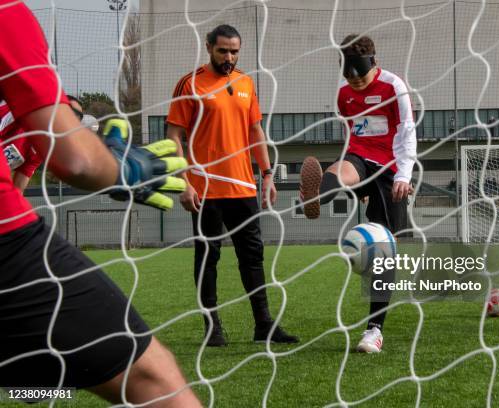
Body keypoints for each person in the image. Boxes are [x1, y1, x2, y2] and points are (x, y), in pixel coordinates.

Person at [0, 2, 201, 406]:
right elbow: (78, 160)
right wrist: (124, 169)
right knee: (154, 380)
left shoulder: (28, 143)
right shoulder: (8, 14)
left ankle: (370, 323)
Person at [166, 24, 298, 347]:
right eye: (223, 50)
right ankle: (212, 328)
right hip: (204, 189)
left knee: (253, 256)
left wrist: (267, 174)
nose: (229, 57)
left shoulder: (245, 82)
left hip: (242, 187)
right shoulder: (190, 83)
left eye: (235, 51)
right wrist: (182, 183)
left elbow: (256, 132)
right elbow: (173, 137)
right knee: (208, 257)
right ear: (209, 47)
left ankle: (264, 325)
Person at [299, 34, 416, 353]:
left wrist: (404, 175)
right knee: (341, 169)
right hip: (359, 157)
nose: (356, 83)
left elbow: (407, 131)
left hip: (390, 169)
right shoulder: (344, 95)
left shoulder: (394, 86)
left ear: (373, 64)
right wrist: (357, 184)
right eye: (349, 77)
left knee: (384, 250)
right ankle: (316, 195)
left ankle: (374, 329)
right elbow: (353, 135)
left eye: (360, 76)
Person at [1, 95, 89, 191]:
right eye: (72, 112)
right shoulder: (22, 111)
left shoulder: (41, 148)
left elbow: (19, 187)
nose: (72, 119)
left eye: (78, 118)